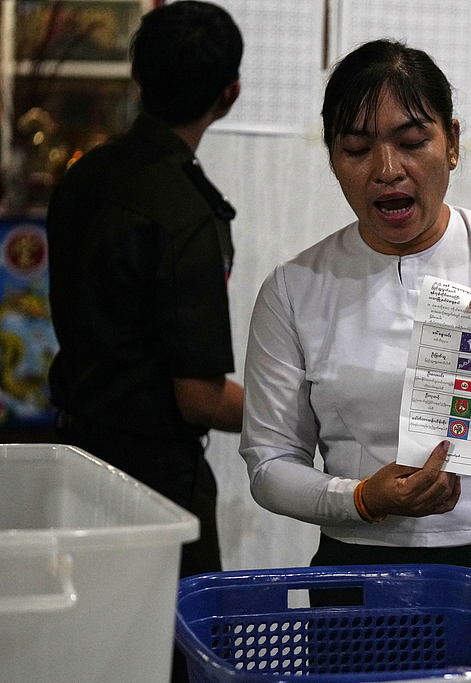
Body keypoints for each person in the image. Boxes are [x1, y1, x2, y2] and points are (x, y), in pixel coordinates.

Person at [240, 39, 471, 584]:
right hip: (361, 569)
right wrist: (361, 498)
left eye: (412, 141)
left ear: (452, 142)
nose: (387, 170)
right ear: (333, 159)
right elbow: (269, 466)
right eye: (357, 149)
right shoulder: (294, 289)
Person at [47, 2, 243, 578]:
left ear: (137, 77)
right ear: (229, 94)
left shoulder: (82, 177)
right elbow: (199, 397)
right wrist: (293, 413)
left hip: (75, 464)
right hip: (153, 487)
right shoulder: (187, 215)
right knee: (172, 656)